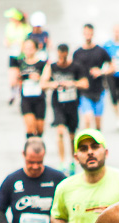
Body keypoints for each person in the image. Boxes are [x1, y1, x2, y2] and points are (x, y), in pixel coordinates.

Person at [41, 43, 87, 174]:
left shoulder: (75, 66)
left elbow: (85, 83)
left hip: (72, 103)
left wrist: (73, 83)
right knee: (60, 131)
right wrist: (53, 84)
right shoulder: (52, 67)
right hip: (58, 104)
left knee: (72, 136)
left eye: (64, 57)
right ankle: (62, 162)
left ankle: (72, 161)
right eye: (60, 56)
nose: (62, 59)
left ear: (67, 54)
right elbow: (43, 83)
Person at [72, 24, 112, 130]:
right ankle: (88, 145)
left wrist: (101, 72)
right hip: (85, 92)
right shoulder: (77, 53)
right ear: (83, 34)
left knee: (98, 125)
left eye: (89, 33)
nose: (87, 35)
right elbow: (73, 71)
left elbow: (113, 67)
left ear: (93, 34)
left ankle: (98, 146)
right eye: (86, 33)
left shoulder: (100, 51)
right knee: (88, 119)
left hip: (99, 90)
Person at [17, 38, 47, 139]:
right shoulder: (20, 63)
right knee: (30, 126)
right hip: (26, 98)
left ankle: (38, 144)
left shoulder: (42, 64)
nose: (28, 51)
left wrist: (40, 78)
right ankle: (30, 149)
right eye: (26, 48)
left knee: (39, 128)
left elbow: (47, 79)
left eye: (31, 48)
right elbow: (16, 79)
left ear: (36, 49)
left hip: (39, 98)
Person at [4, 8, 30, 105]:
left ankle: (21, 95)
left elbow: (28, 41)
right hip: (12, 55)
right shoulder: (9, 26)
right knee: (12, 78)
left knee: (21, 77)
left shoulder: (26, 27)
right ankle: (13, 93)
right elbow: (6, 39)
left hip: (23, 56)